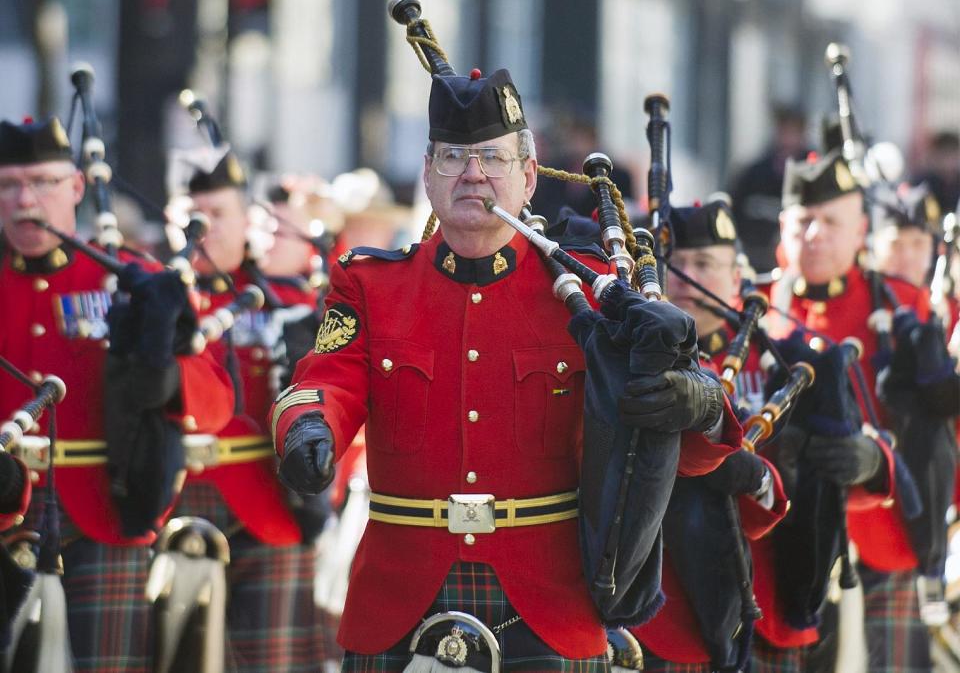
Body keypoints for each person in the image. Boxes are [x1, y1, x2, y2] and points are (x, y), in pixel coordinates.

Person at [270, 67, 744, 671]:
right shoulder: (371, 284)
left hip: (549, 609)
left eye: (492, 157)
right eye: (453, 157)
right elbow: (324, 382)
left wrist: (697, 403)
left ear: (528, 176)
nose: (472, 174)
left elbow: (675, 453)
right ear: (427, 173)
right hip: (400, 602)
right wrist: (309, 427)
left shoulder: (596, 294)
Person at [0, 117, 234, 671]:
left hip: (104, 509)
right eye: (9, 184)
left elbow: (218, 399)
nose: (25, 198)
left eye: (44, 182)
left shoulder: (136, 279)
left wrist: (172, 380)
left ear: (78, 187)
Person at [769, 148, 930, 672]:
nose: (815, 235)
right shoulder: (757, 309)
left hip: (890, 524)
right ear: (782, 229)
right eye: (804, 221)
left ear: (861, 229)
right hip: (792, 533)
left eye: (831, 222)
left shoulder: (902, 305)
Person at [174, 148, 335, 671]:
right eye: (188, 214)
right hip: (164, 504)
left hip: (265, 505)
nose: (201, 228)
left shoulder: (283, 300)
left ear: (248, 220)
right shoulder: (145, 293)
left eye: (218, 215)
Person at [629, 197, 790, 673]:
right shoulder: (627, 355)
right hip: (649, 606)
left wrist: (755, 475)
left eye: (703, 263)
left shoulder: (778, 358)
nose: (684, 277)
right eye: (673, 264)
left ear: (737, 277)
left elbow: (796, 486)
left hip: (756, 600)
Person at [729, 105, 809, 279]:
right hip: (754, 267)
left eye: (793, 132)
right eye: (784, 132)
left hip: (797, 269)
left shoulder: (812, 177)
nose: (788, 140)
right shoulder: (752, 175)